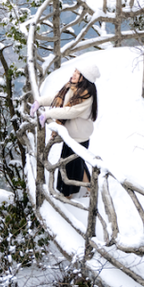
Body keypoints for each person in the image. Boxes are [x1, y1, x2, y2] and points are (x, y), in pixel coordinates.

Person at [30, 63, 100, 197]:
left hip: (79, 136)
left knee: (71, 167)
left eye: (78, 73)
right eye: (75, 71)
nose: (73, 74)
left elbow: (70, 112)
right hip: (72, 134)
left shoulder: (86, 95)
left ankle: (68, 195)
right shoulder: (72, 87)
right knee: (77, 162)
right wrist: (39, 102)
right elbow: (57, 98)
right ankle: (91, 189)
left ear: (84, 78)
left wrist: (48, 114)